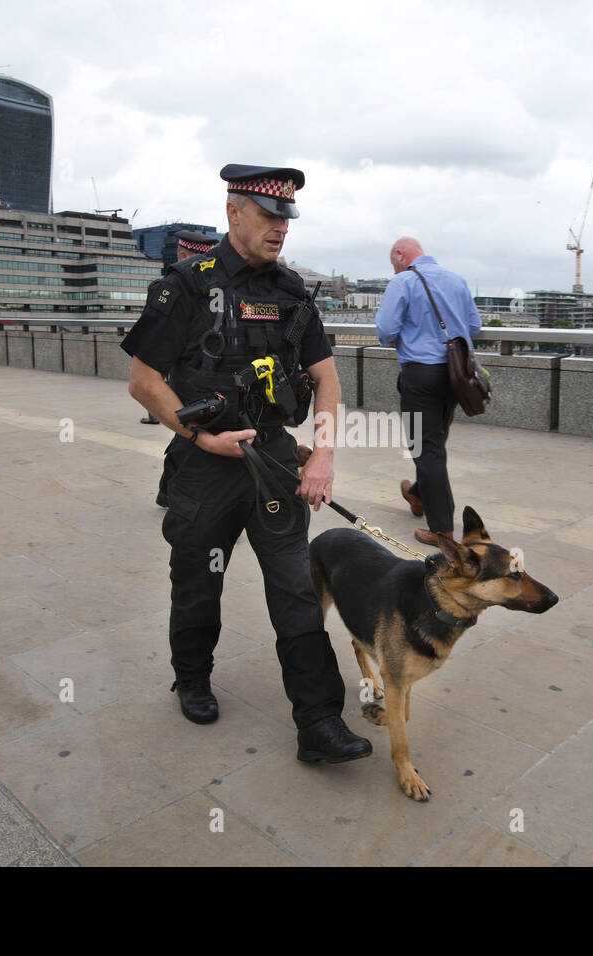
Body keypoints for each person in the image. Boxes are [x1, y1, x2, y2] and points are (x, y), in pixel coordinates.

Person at [122, 163, 370, 765]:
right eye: (268, 215)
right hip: (206, 463)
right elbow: (144, 382)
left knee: (295, 590)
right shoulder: (185, 284)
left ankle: (319, 723)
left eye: (286, 217)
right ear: (234, 213)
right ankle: (193, 677)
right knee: (198, 582)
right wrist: (200, 438)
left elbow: (328, 381)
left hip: (276, 463)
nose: (280, 228)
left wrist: (324, 454)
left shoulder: (290, 291)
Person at [374, 237, 482, 544]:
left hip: (421, 374)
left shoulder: (403, 281)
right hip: (455, 374)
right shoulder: (457, 280)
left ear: (400, 254)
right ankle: (418, 495)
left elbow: (384, 331)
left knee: (425, 449)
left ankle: (442, 530)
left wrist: (410, 335)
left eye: (392, 262)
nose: (393, 268)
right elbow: (473, 326)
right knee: (434, 442)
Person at [141, 230, 219, 427]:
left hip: (184, 367)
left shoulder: (168, 287)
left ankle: (155, 414)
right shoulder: (221, 289)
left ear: (182, 256)